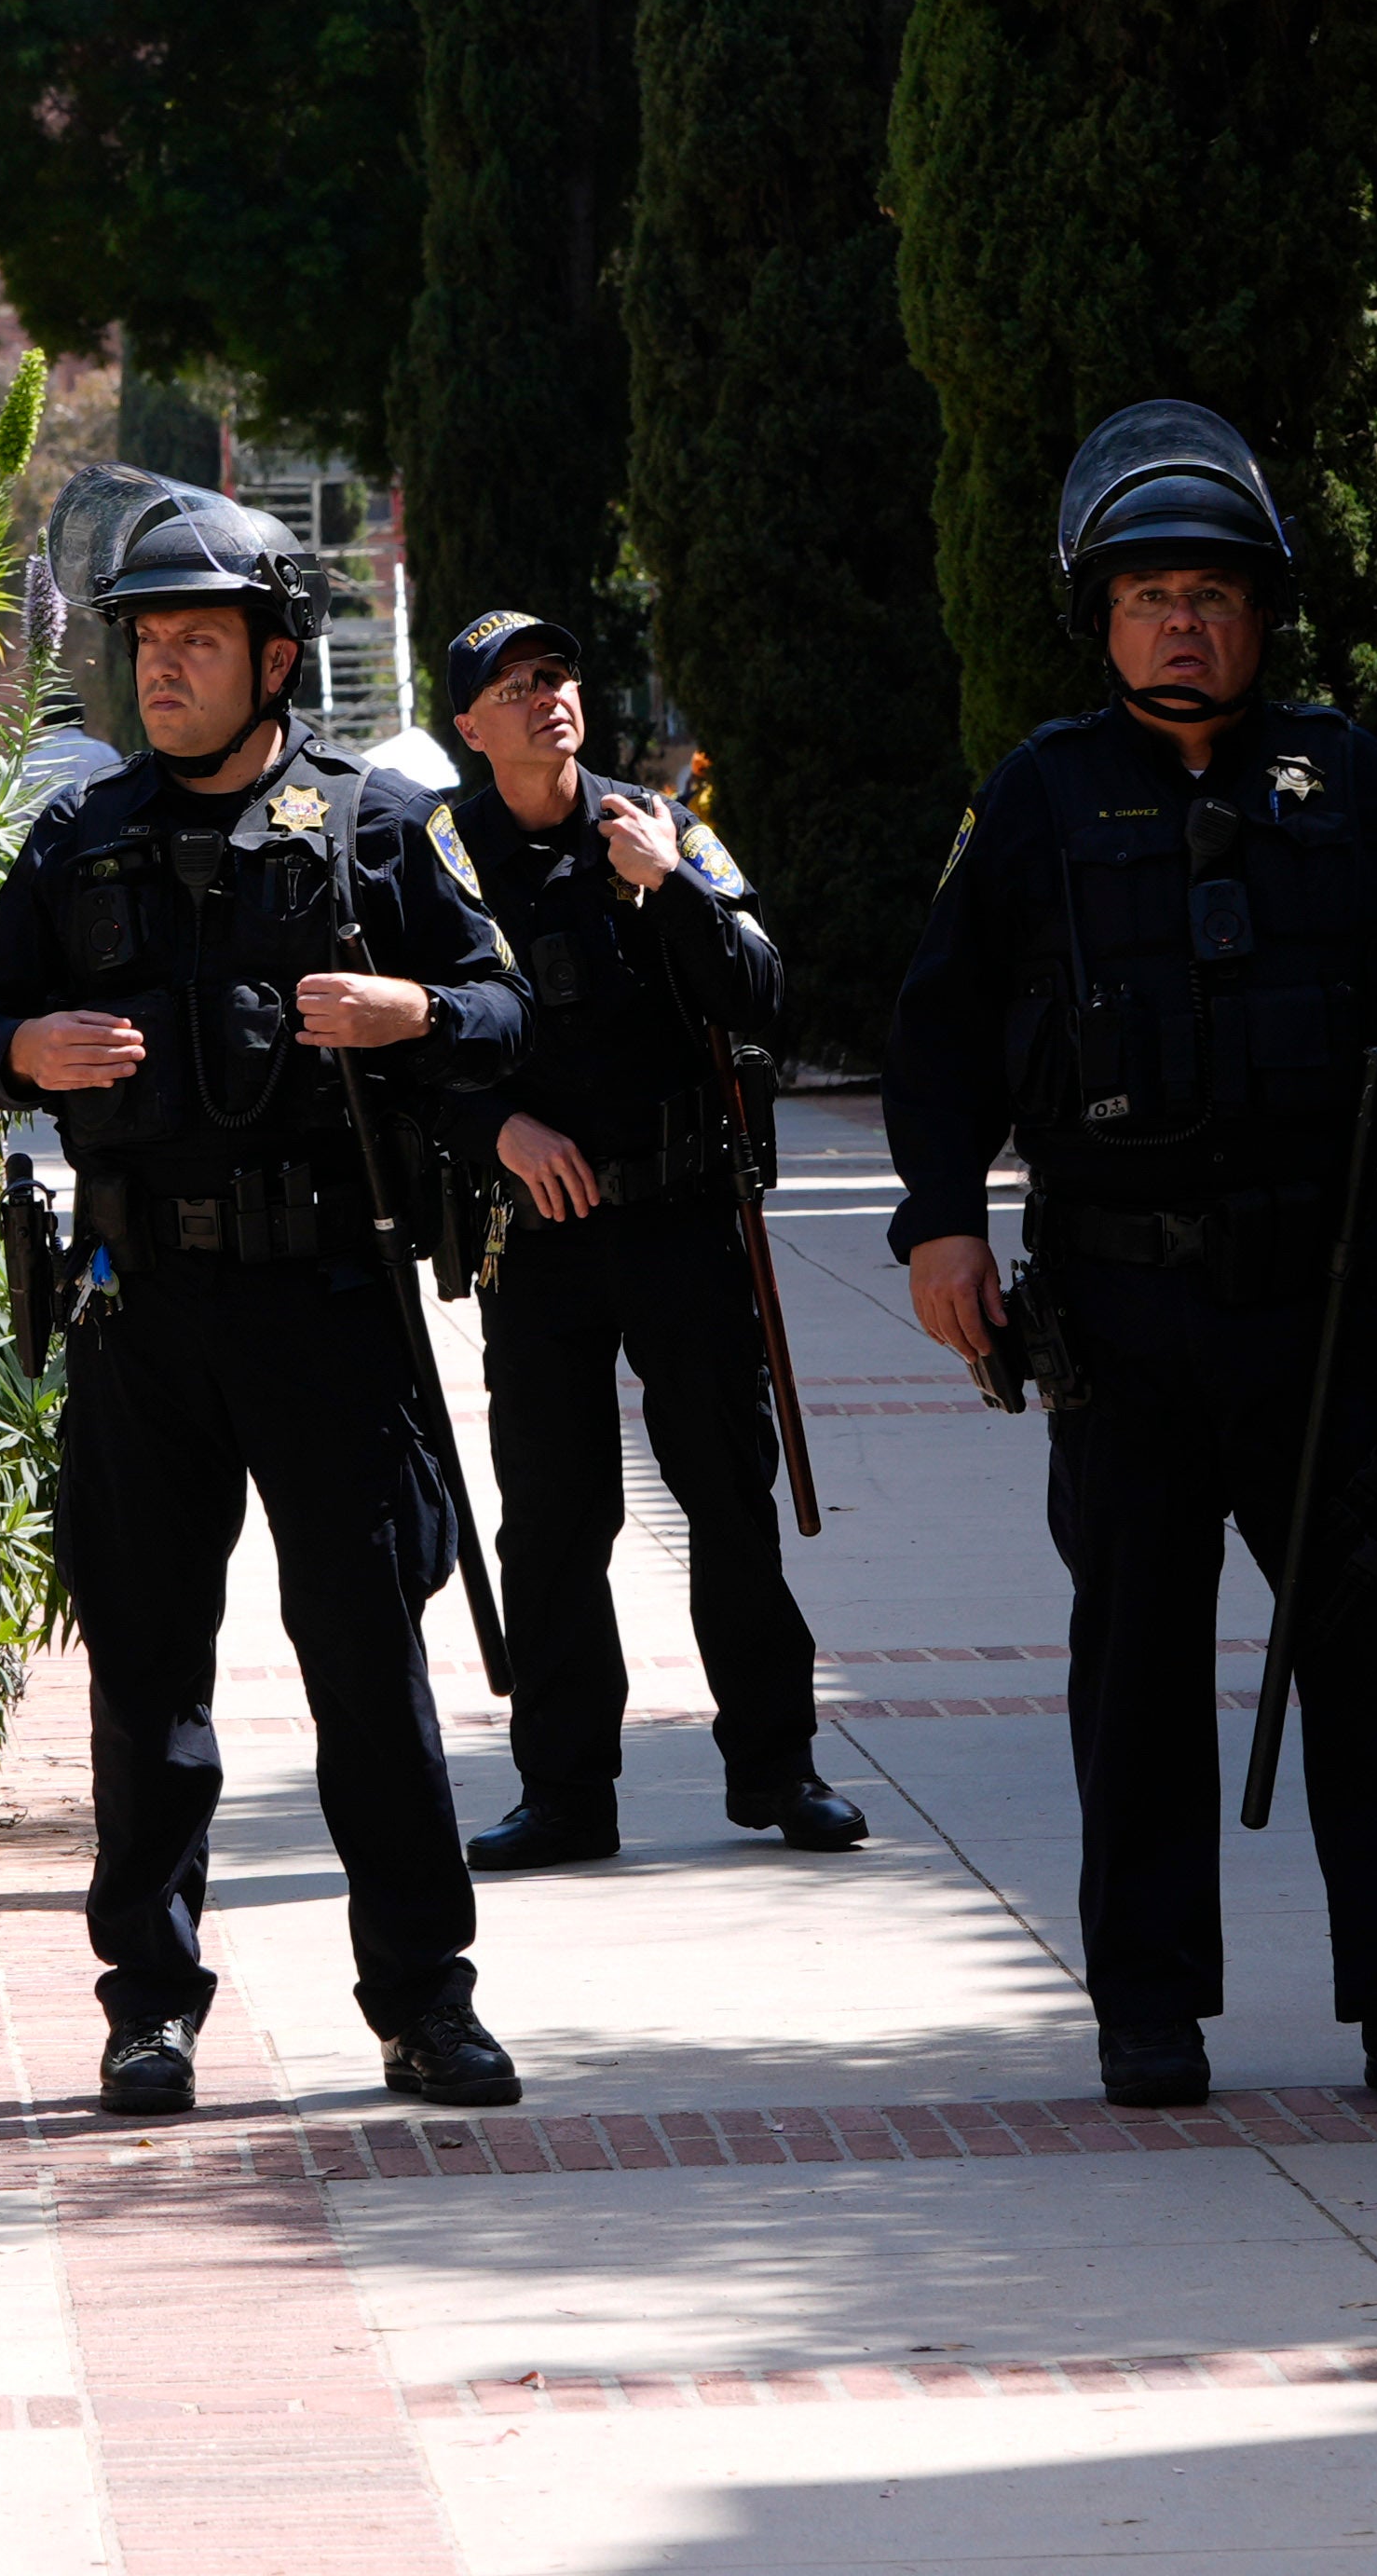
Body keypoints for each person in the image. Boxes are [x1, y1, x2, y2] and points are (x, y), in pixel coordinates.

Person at [880, 404, 1377, 2113]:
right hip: (1126, 1314)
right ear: (1100, 616)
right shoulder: (1039, 798)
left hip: (1326, 1312)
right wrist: (941, 1225)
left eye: (1211, 592)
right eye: (1147, 592)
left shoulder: (1356, 788)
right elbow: (936, 1041)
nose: (1181, 622)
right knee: (1136, 1675)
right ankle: (1148, 2007)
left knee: (1374, 1672)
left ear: (1261, 612)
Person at [0, 481, 536, 2118]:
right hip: (144, 1307)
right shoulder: (80, 836)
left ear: (277, 658)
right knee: (147, 1678)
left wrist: (412, 1009)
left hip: (327, 1306)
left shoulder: (370, 826)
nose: (163, 667)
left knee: (367, 1669)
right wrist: (23, 1052)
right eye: (147, 639)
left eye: (200, 639)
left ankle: (425, 2002)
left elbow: (507, 1012)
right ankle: (149, 2003)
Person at [425, 606, 861, 1872]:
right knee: (556, 1521)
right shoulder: (442, 855)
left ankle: (778, 1769)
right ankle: (567, 1794)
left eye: (556, 676)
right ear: (469, 725)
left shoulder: (658, 825)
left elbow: (764, 990)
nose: (544, 697)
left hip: (680, 1215)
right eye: (512, 686)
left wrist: (665, 887)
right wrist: (499, 1127)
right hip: (540, 1238)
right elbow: (414, 1046)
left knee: (730, 1497)